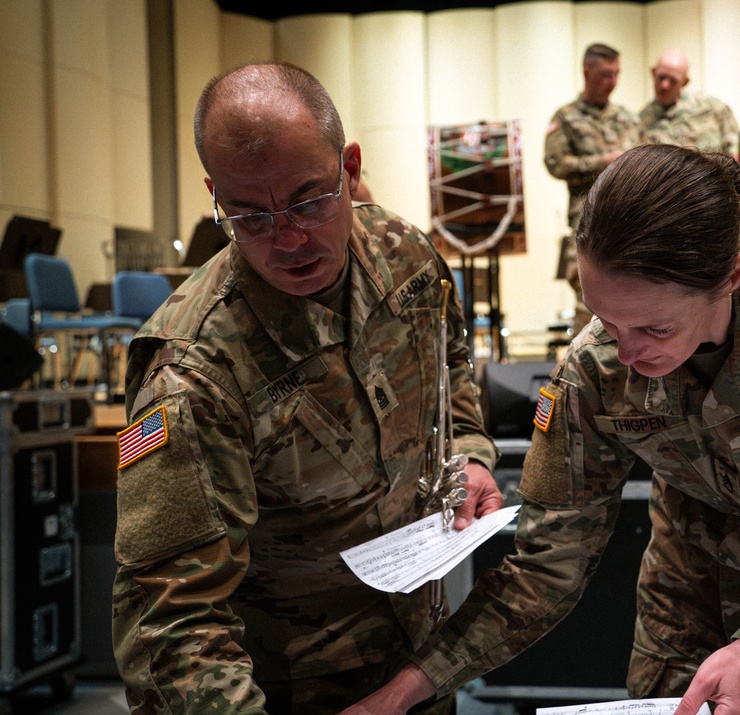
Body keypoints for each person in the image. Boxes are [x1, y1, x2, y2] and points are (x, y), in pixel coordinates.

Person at [342, 144, 740, 715]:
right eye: (605, 319)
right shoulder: (593, 368)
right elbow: (547, 563)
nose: (624, 353)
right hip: (689, 616)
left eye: (654, 329)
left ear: (732, 275)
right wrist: (406, 690)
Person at [111, 61, 503, 714]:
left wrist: (467, 450)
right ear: (215, 194)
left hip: (416, 665)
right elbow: (170, 619)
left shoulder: (404, 256)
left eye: (309, 199)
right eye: (249, 215)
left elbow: (450, 369)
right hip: (283, 690)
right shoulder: (190, 368)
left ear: (349, 168)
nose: (287, 237)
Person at [544, 42, 645, 336]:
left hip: (631, 220)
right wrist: (600, 162)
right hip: (588, 220)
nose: (611, 82)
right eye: (605, 74)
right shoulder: (566, 117)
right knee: (588, 302)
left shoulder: (628, 118)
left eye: (616, 74)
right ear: (586, 71)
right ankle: (581, 371)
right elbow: (555, 163)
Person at [640, 49, 740, 157]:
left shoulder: (712, 108)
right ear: (653, 73)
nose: (665, 85)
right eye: (661, 77)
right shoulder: (640, 122)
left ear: (685, 82)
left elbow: (735, 154)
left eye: (673, 80)